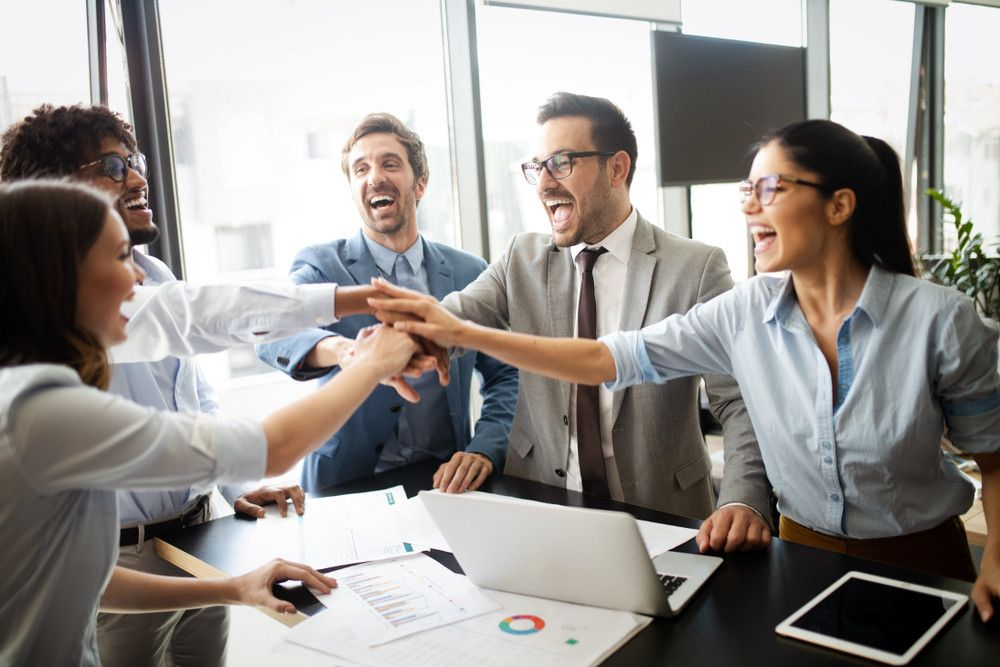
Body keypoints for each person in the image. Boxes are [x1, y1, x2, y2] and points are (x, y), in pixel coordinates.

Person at [370, 119, 1000, 622]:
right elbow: (605, 358)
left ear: (839, 205)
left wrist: (996, 549)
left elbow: (993, 452)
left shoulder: (942, 321)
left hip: (924, 560)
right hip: (798, 554)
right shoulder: (743, 312)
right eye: (747, 192)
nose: (752, 209)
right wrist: (450, 332)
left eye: (771, 190)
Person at [0, 103, 409, 665]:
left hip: (189, 543)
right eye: (117, 256)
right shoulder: (42, 412)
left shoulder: (36, 390)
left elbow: (88, 574)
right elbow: (271, 445)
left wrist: (229, 587)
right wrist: (369, 359)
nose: (137, 279)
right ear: (57, 261)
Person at [371, 92, 765, 525]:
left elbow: (737, 400)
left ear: (617, 168)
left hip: (662, 514)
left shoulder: (695, 267)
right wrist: (397, 344)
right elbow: (455, 315)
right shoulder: (521, 257)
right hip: (542, 504)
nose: (543, 184)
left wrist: (741, 501)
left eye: (561, 163)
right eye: (537, 168)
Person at [257, 112, 518, 493]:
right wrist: (347, 352)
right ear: (353, 190)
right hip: (346, 484)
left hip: (446, 484)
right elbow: (271, 331)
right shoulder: (320, 264)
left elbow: (506, 374)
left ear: (421, 184)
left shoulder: (469, 271)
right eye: (360, 169)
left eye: (389, 164)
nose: (374, 176)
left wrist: (486, 448)